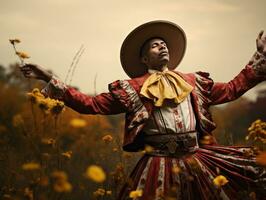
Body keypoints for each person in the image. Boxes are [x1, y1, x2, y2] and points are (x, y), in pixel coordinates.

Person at [20, 20, 266, 200]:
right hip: (157, 166)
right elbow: (91, 104)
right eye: (154, 46)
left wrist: (259, 56)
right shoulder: (132, 89)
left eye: (163, 44)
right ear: (145, 60)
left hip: (195, 161)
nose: (162, 47)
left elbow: (233, 88)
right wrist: (48, 78)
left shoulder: (192, 82)